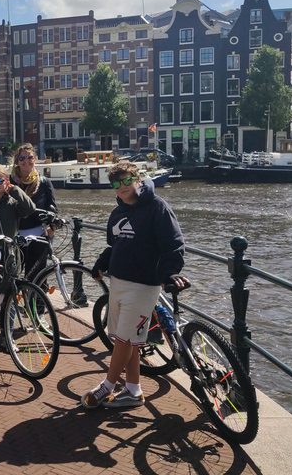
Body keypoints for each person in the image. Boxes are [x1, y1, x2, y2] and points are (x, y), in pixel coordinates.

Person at [82, 161, 188, 409]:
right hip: (118, 282)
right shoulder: (117, 213)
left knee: (125, 341)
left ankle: (107, 386)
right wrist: (102, 262)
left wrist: (169, 273)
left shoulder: (156, 207)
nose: (122, 186)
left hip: (143, 285)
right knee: (128, 338)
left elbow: (174, 244)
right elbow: (115, 245)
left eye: (127, 180)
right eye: (117, 183)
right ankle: (133, 390)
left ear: (138, 180)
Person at [9, 143, 57, 276]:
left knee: (37, 278)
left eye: (29, 157)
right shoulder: (9, 182)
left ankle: (35, 297)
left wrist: (51, 230)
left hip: (38, 236)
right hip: (15, 235)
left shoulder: (44, 182)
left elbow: (53, 209)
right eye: (22, 158)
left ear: (35, 159)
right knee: (12, 277)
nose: (26, 161)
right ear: (17, 161)